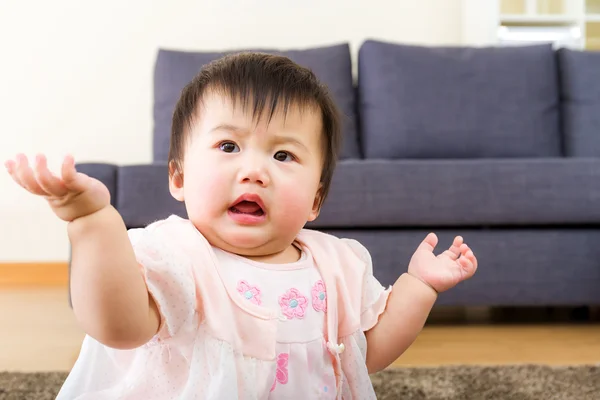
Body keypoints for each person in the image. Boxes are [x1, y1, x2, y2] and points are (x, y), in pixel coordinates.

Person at [5, 52, 477, 399]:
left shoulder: (336, 264)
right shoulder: (176, 252)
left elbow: (366, 353)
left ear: (315, 200)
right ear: (179, 177)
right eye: (229, 146)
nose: (255, 170)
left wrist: (419, 287)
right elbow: (118, 325)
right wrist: (93, 223)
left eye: (283, 154)